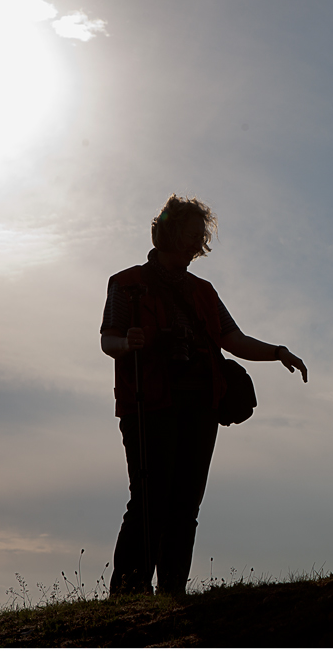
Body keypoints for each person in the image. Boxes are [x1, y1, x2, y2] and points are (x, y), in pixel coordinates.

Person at [100, 194, 307, 596]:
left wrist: (278, 353)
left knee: (185, 505)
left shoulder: (204, 292)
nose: (200, 242)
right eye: (194, 233)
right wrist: (128, 343)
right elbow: (108, 338)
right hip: (149, 404)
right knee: (149, 498)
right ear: (171, 232)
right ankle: (128, 593)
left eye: (202, 235)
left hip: (200, 406)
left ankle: (172, 591)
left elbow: (233, 339)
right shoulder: (127, 284)